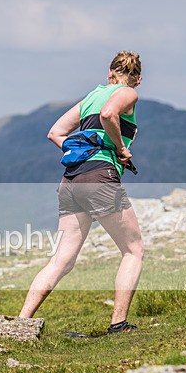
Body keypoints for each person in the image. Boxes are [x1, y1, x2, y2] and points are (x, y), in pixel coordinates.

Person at [18, 51, 144, 334]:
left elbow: (55, 132)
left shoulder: (91, 96)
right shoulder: (127, 93)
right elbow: (109, 113)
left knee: (61, 261)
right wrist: (120, 149)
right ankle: (118, 324)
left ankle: (21, 323)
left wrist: (82, 149)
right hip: (100, 176)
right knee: (133, 250)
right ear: (137, 79)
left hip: (71, 180)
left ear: (108, 73)